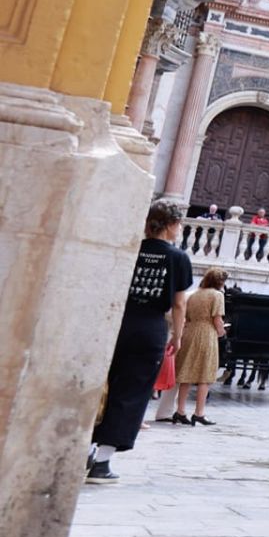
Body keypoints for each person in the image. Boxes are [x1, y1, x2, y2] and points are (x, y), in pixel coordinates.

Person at [87, 201, 195, 483]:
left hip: (118, 321)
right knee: (132, 391)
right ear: (171, 225)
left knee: (103, 385)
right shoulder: (178, 258)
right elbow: (179, 304)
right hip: (149, 327)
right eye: (179, 224)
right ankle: (102, 462)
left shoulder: (130, 247)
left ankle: (85, 448)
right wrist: (178, 335)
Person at [170, 267, 228, 426]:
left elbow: (187, 317)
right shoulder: (217, 295)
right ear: (220, 282)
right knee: (205, 374)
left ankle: (180, 411)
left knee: (186, 373)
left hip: (190, 332)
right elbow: (217, 320)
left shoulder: (194, 295)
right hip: (206, 334)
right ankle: (199, 413)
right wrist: (222, 331)